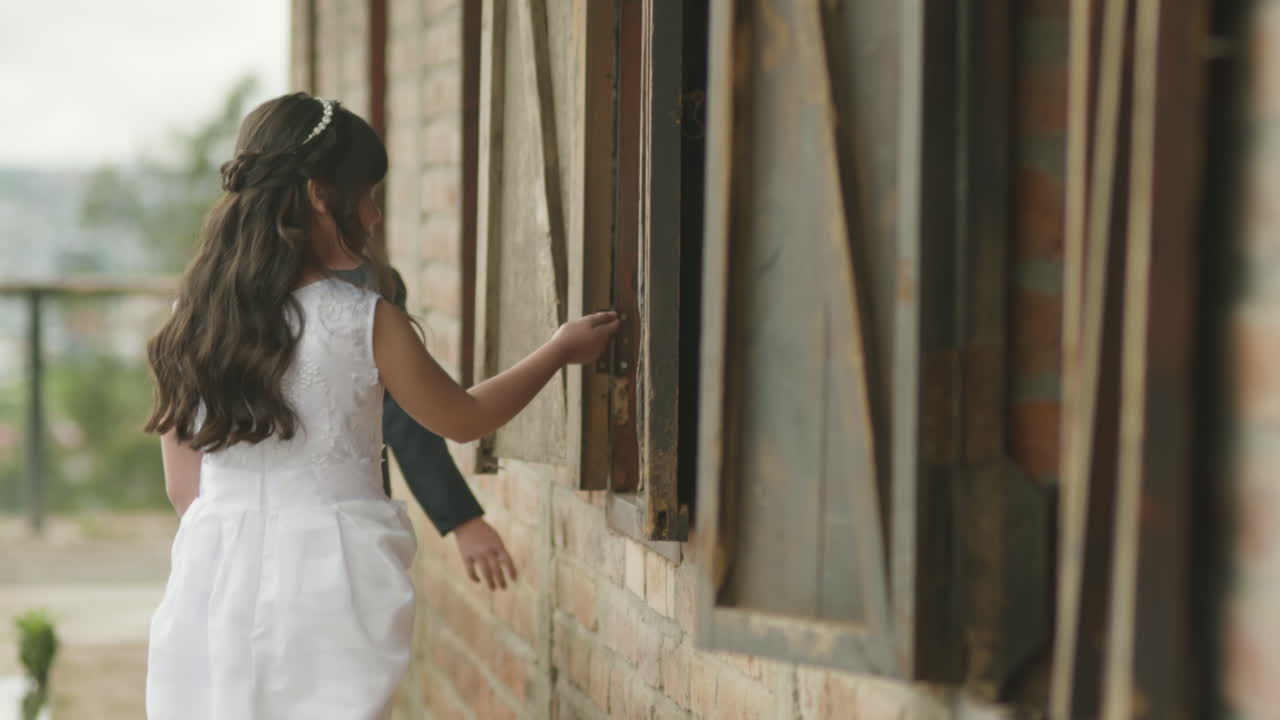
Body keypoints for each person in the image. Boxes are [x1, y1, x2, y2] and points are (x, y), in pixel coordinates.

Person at [142, 93, 619, 720]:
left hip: (214, 578)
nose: (372, 215)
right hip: (328, 583)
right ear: (318, 194)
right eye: (367, 194)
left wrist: (245, 548)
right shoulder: (364, 321)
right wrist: (557, 351)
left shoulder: (193, 320)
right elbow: (464, 417)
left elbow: (185, 491)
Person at [339, 263, 516, 592]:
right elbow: (402, 412)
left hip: (237, 522)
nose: (374, 215)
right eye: (362, 207)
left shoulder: (217, 279)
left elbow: (402, 409)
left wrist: (461, 517)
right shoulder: (366, 286)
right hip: (339, 525)